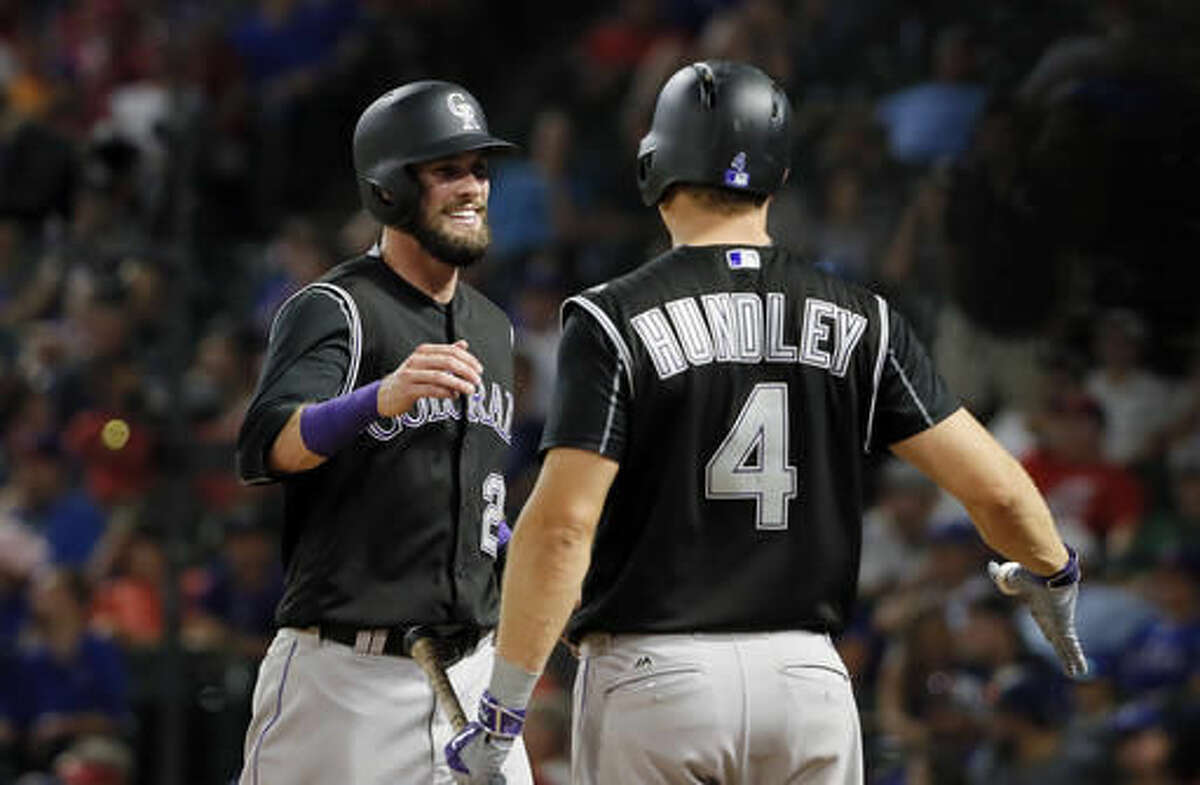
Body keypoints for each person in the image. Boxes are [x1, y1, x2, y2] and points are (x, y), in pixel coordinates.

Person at [447, 61, 1086, 784]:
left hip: (658, 680)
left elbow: (563, 527)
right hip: (806, 680)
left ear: (654, 162)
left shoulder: (612, 316)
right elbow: (998, 491)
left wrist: (501, 712)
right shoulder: (863, 316)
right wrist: (1053, 575)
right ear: (778, 177)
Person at [235, 81, 532, 785]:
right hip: (347, 682)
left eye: (480, 168)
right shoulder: (337, 306)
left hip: (473, 676)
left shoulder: (494, 327)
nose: (473, 188)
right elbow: (266, 445)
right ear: (390, 188)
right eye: (447, 170)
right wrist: (378, 398)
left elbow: (465, 497)